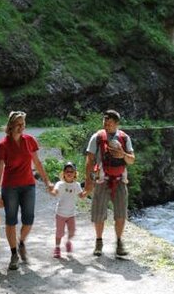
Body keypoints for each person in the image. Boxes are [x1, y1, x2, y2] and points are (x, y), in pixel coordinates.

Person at [0, 110, 52, 270]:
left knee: (29, 219)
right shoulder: (2, 145)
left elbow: (37, 163)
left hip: (28, 185)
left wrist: (47, 181)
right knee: (11, 220)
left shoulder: (30, 140)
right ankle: (14, 254)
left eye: (23, 124)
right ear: (11, 125)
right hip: (10, 187)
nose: (21, 127)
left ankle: (21, 243)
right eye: (18, 124)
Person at [84, 109, 135, 257]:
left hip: (120, 180)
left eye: (109, 123)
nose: (106, 125)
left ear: (117, 124)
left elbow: (131, 160)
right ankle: (99, 242)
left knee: (121, 214)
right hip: (102, 179)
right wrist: (88, 181)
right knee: (98, 213)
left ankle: (119, 243)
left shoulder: (124, 138)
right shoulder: (97, 137)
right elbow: (90, 160)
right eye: (105, 122)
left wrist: (122, 154)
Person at [49, 161, 87, 258]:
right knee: (59, 232)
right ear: (63, 173)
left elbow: (81, 196)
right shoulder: (60, 184)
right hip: (60, 214)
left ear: (75, 174)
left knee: (72, 231)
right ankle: (57, 248)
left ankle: (68, 242)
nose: (69, 173)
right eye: (67, 171)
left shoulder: (77, 185)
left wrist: (89, 189)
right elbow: (54, 192)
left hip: (71, 214)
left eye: (71, 171)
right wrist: (50, 190)